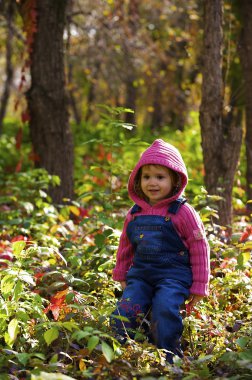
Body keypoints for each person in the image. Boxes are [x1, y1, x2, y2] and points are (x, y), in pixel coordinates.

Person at [110, 138, 210, 362]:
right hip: (141, 276)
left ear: (175, 181)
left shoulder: (183, 212)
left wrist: (200, 285)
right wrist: (121, 275)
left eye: (160, 177)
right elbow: (125, 246)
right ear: (138, 179)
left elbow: (199, 247)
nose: (152, 183)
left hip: (173, 277)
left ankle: (169, 356)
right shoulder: (134, 213)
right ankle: (121, 354)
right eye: (146, 177)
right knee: (124, 311)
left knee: (164, 309)